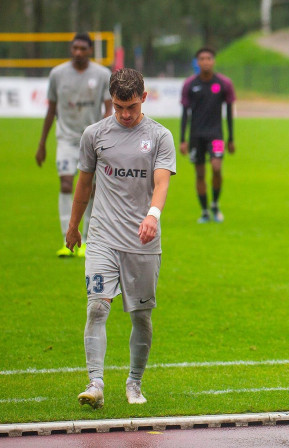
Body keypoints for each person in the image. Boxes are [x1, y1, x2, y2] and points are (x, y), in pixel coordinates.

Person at [66, 68, 177, 409]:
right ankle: (95, 383)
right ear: (110, 101)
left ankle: (134, 382)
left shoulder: (160, 136)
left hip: (142, 242)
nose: (125, 114)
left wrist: (152, 216)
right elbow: (84, 183)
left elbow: (161, 182)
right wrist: (73, 225)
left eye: (131, 106)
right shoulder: (94, 134)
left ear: (144, 97)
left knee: (141, 316)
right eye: (118, 107)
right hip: (102, 237)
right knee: (97, 306)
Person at [36, 33, 112, 257]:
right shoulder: (58, 74)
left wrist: (104, 133)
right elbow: (51, 109)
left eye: (83, 48)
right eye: (75, 48)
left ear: (90, 50)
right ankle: (66, 239)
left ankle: (85, 240)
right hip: (67, 138)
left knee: (90, 190)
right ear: (71, 49)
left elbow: (109, 107)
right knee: (67, 184)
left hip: (92, 140)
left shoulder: (101, 74)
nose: (78, 52)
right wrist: (42, 143)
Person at [180, 47, 236, 223]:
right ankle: (204, 210)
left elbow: (228, 112)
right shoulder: (190, 84)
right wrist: (182, 139)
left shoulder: (223, 83)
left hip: (216, 137)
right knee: (200, 174)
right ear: (197, 62)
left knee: (217, 168)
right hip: (196, 137)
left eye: (209, 58)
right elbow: (184, 113)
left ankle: (215, 204)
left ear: (214, 61)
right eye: (202, 59)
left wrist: (231, 138)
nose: (205, 61)